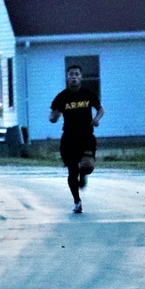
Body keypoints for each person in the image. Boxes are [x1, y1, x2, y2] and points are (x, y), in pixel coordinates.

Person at [49, 64, 105, 213]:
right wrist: (54, 117)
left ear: (81, 77)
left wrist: (96, 119)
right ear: (67, 78)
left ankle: (83, 174)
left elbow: (101, 109)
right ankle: (77, 201)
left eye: (76, 74)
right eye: (71, 74)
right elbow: (52, 115)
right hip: (69, 138)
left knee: (87, 166)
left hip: (86, 136)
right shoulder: (62, 97)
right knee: (72, 171)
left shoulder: (88, 94)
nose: (74, 77)